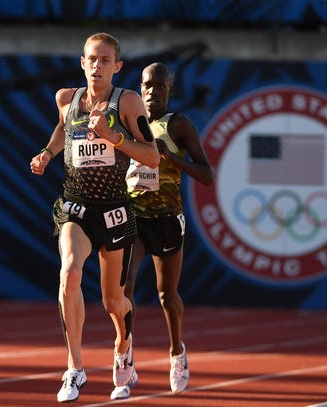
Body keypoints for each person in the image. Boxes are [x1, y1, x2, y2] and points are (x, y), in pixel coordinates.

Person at [29, 32, 159, 402]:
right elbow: (62, 129)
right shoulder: (66, 99)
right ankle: (75, 368)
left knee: (113, 303)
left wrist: (113, 137)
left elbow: (152, 157)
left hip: (115, 211)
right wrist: (47, 153)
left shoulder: (128, 102)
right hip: (75, 206)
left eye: (105, 60)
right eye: (92, 59)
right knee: (69, 272)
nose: (97, 65)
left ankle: (124, 347)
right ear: (82, 63)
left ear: (117, 67)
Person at [125, 62, 214, 394]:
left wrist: (171, 158)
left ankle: (177, 351)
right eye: (147, 85)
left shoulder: (179, 125)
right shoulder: (128, 121)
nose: (152, 92)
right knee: (124, 288)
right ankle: (125, 354)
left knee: (166, 295)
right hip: (135, 218)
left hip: (167, 219)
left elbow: (207, 175)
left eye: (160, 86)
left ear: (170, 90)